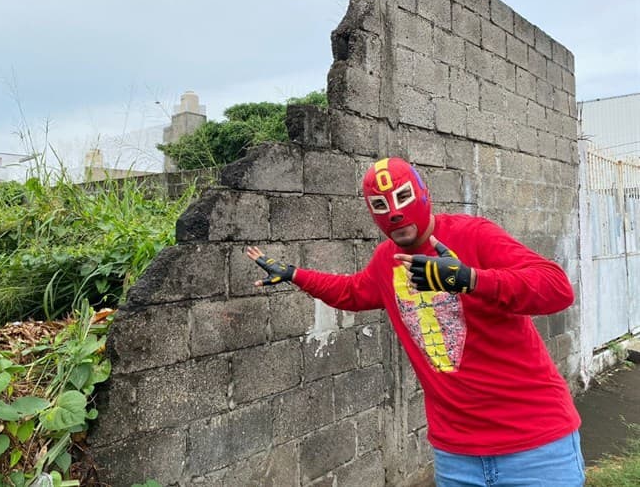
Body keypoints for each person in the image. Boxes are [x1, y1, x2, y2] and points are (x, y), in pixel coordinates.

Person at [246, 156, 585, 487]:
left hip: (536, 446)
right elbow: (351, 292)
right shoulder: (386, 261)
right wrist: (296, 274)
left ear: (424, 193)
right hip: (457, 454)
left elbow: (557, 288)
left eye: (402, 197)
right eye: (379, 204)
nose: (393, 212)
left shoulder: (474, 234)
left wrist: (470, 279)